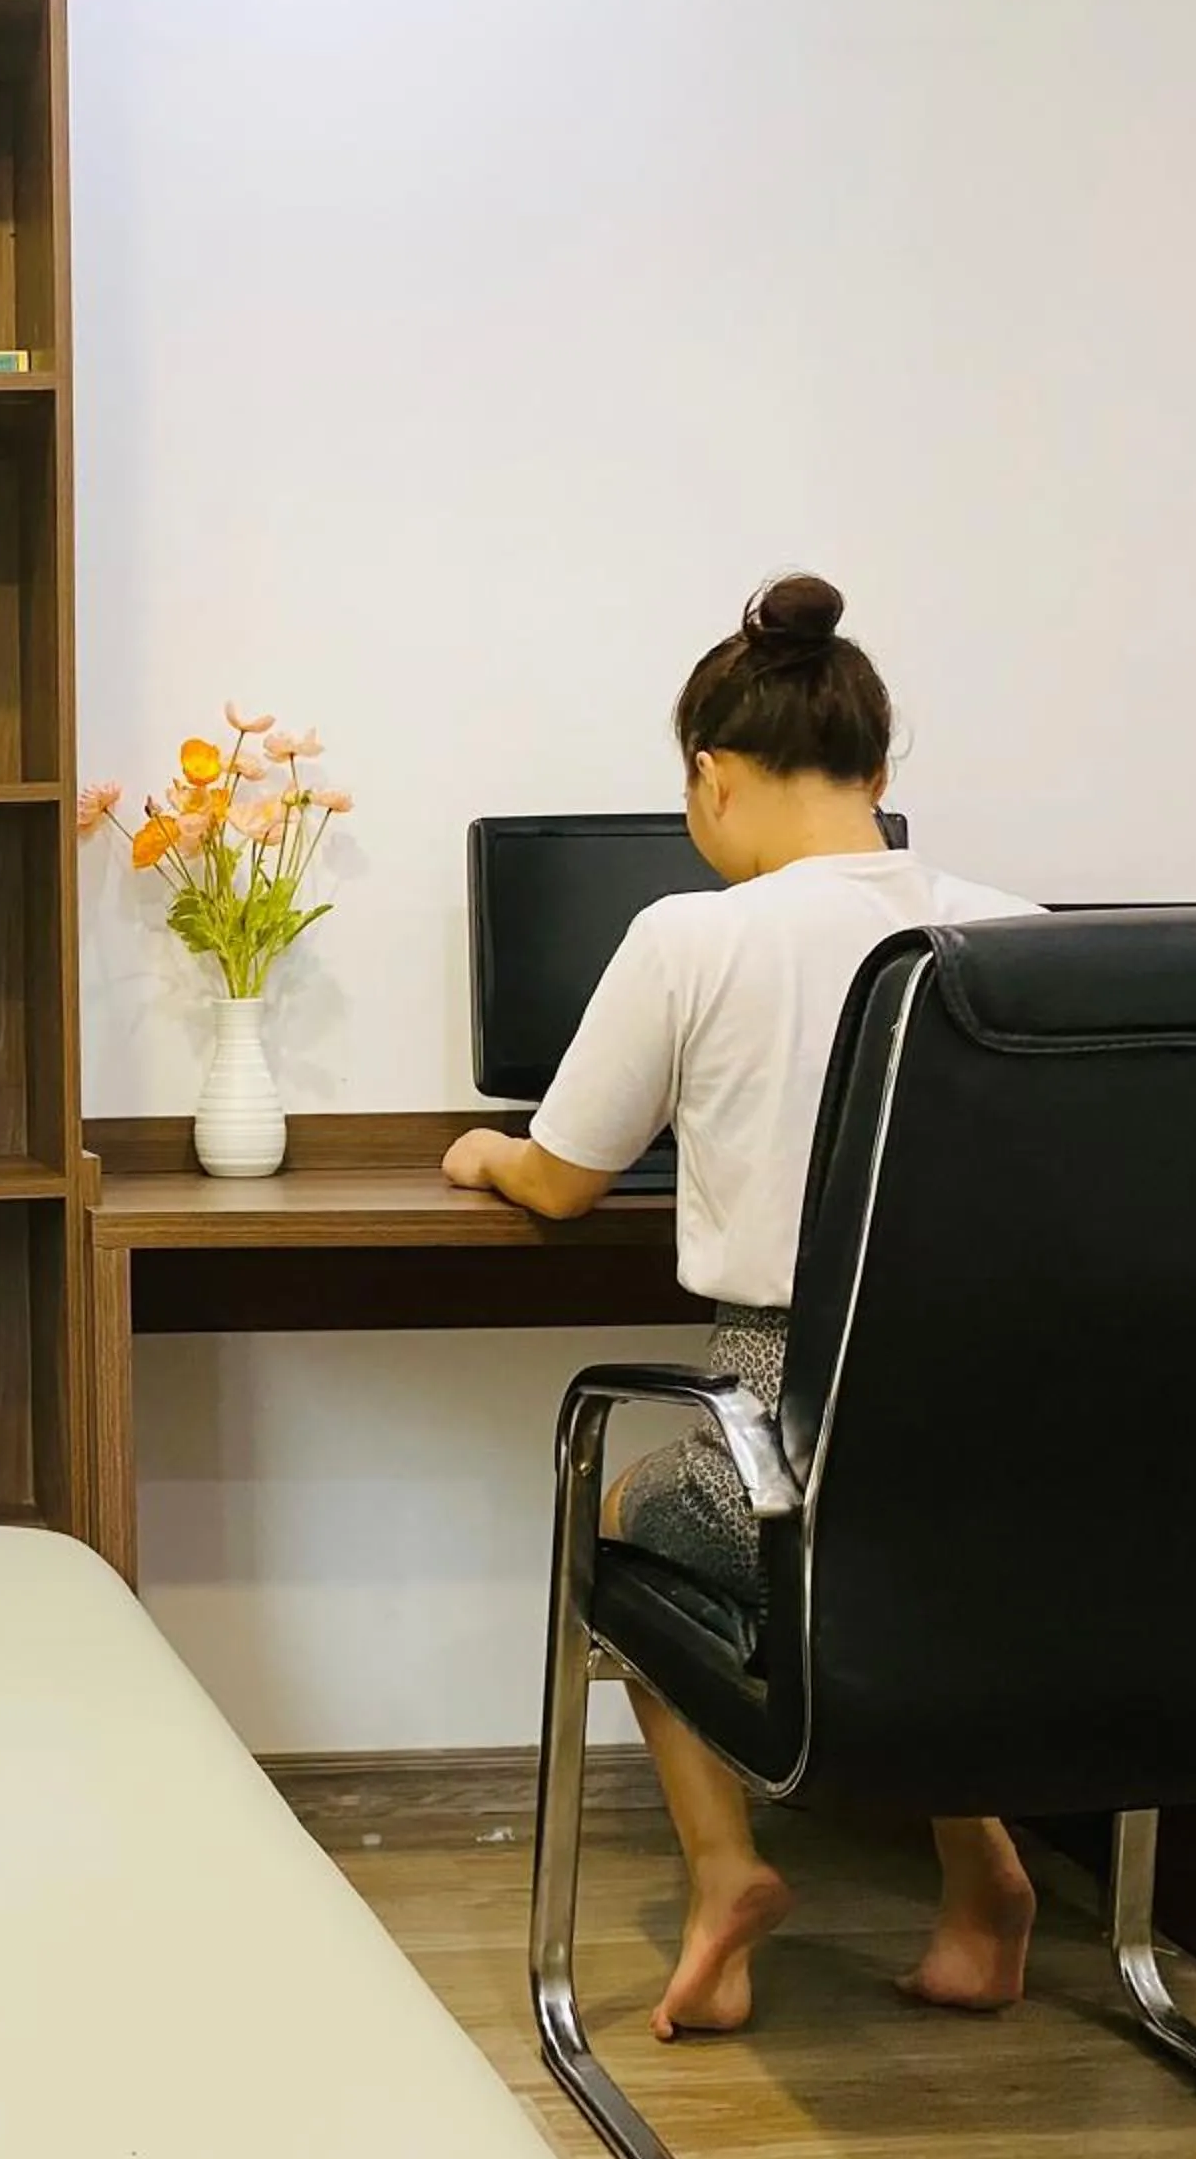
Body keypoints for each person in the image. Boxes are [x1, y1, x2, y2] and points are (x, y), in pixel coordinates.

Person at [443, 572, 1041, 2042]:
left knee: (632, 1504)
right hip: (1018, 1460)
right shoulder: (1019, 937)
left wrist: (483, 1149)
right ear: (882, 776)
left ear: (709, 776)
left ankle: (724, 1875)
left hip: (795, 1435)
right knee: (909, 1566)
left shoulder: (691, 938)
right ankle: (986, 1885)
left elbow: (566, 1178)